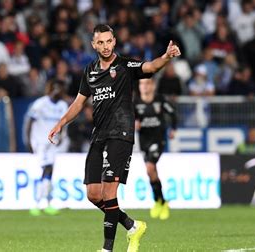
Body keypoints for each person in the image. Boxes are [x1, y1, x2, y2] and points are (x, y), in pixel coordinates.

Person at [47, 24, 181, 252]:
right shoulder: (89, 71)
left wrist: (166, 57)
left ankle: (107, 249)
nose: (105, 46)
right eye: (100, 42)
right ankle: (132, 225)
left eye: (109, 41)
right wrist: (60, 123)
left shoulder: (125, 65)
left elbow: (150, 67)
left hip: (121, 134)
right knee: (93, 194)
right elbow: (79, 102)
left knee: (109, 192)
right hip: (99, 135)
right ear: (93, 44)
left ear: (114, 41)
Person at [134, 78, 177, 220]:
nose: (144, 87)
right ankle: (161, 201)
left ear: (152, 86)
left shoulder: (160, 100)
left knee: (150, 167)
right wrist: (133, 123)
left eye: (147, 84)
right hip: (144, 141)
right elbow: (129, 118)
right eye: (142, 84)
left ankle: (159, 201)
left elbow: (173, 113)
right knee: (151, 172)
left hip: (158, 139)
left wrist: (173, 129)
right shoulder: (135, 102)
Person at [25, 79, 69, 216]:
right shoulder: (40, 103)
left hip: (52, 144)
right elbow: (29, 122)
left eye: (60, 89)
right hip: (40, 142)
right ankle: (37, 203)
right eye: (56, 88)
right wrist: (28, 141)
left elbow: (63, 124)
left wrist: (61, 136)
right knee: (46, 170)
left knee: (50, 171)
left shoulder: (62, 105)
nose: (58, 91)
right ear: (51, 89)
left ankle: (47, 203)